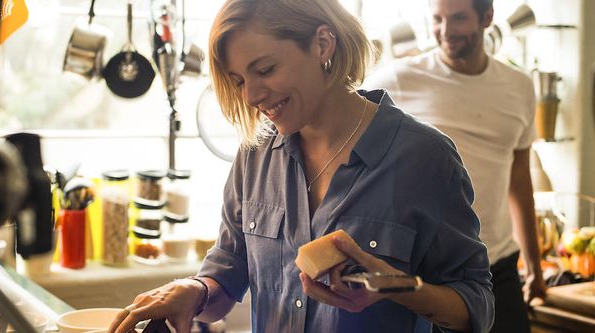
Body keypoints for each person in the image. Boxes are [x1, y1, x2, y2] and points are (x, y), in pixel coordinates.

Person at [108, 0, 493, 332]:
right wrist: (195, 291)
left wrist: (399, 288)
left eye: (265, 70)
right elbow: (225, 278)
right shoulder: (256, 154)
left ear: (323, 44)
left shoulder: (424, 158)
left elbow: (477, 306)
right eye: (239, 80)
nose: (252, 96)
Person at [363, 0, 546, 332]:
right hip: (431, 271)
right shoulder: (399, 78)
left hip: (499, 267)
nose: (445, 32)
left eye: (458, 18)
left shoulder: (519, 86)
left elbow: (519, 177)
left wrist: (534, 264)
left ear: (487, 17)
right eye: (437, 19)